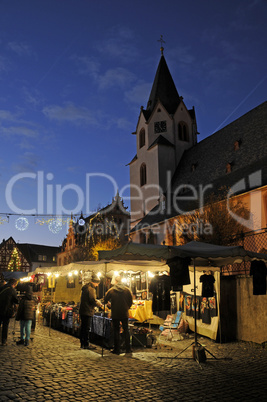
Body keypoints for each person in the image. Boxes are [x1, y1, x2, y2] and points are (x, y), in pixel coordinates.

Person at [104, 275, 133, 355]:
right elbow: (130, 301)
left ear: (115, 282)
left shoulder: (111, 290)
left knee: (116, 330)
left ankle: (117, 349)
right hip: (124, 313)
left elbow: (105, 300)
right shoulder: (127, 290)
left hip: (115, 313)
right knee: (126, 330)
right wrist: (127, 307)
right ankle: (128, 349)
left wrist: (109, 305)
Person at [79, 273, 103, 350]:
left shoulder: (86, 288)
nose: (97, 285)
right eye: (97, 283)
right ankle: (86, 344)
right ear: (95, 282)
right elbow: (92, 300)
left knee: (83, 328)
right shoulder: (91, 289)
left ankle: (82, 343)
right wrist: (99, 304)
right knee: (86, 328)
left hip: (83, 310)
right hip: (87, 311)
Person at [0, 278, 19, 346]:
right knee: (5, 325)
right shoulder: (12, 290)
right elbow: (16, 300)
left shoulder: (2, 287)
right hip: (6, 310)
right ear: (14, 284)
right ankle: (4, 341)